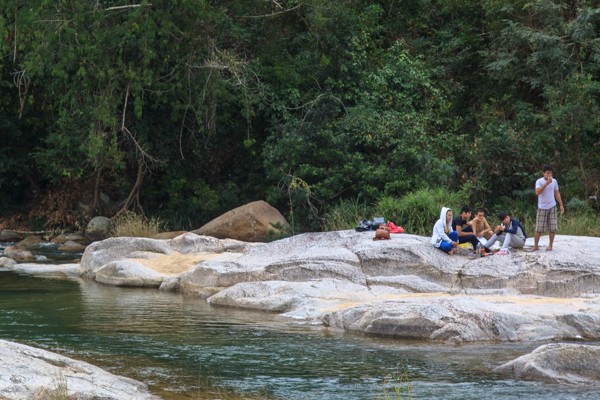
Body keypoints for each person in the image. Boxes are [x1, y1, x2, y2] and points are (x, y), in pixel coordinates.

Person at [533, 164, 565, 251]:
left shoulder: (554, 181)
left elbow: (557, 193)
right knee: (539, 228)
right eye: (547, 173)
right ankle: (535, 245)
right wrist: (546, 184)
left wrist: (561, 204)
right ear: (543, 173)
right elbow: (537, 192)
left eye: (550, 173)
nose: (549, 175)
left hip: (552, 206)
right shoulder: (539, 181)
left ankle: (550, 245)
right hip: (542, 207)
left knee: (552, 227)